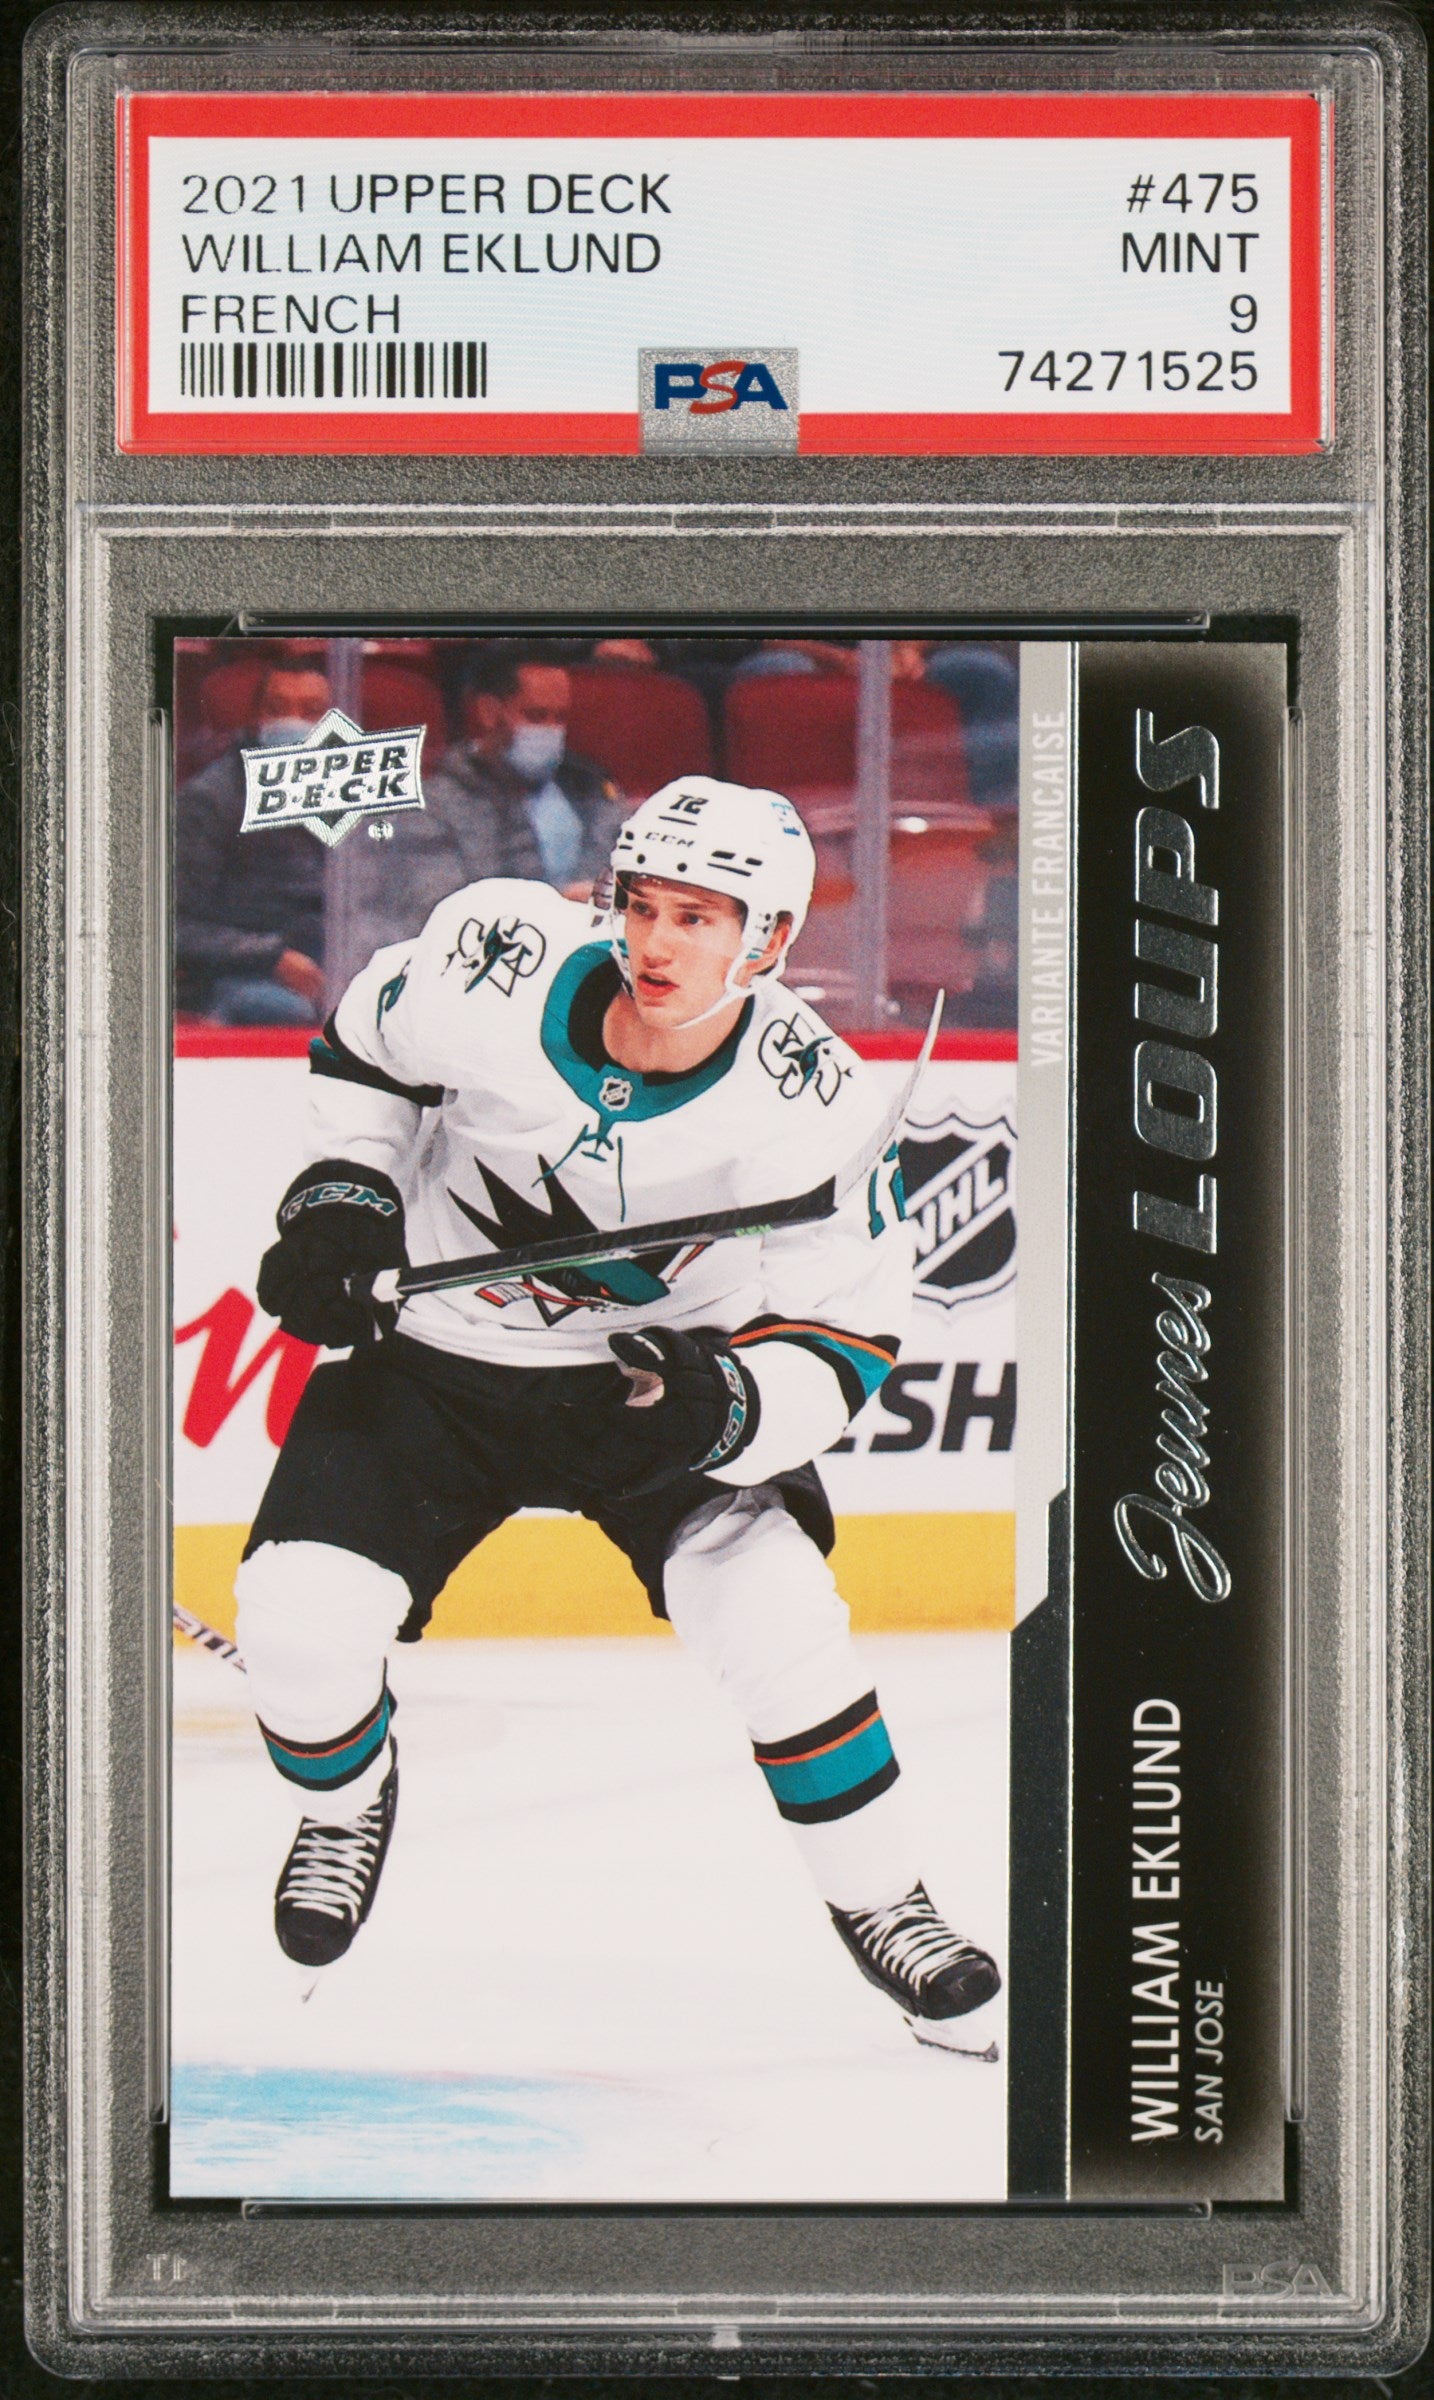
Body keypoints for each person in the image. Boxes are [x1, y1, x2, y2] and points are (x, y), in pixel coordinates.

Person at [237, 777, 1001, 2049]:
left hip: (655, 1393)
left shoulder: (815, 1104)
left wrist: (727, 1407)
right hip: (438, 1366)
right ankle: (342, 1804)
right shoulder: (497, 958)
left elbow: (846, 1336)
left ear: (768, 938)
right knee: (297, 1622)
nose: (654, 942)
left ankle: (887, 1901)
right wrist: (345, 1195)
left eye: (697, 919)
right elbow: (369, 1049)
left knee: (784, 1625)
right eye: (642, 905)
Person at [342, 647, 625, 967]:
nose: (551, 731)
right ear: (489, 712)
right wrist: (556, 905)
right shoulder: (434, 805)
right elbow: (436, 915)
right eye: (535, 716)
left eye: (560, 718)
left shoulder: (591, 789)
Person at [175, 661, 330, 1024]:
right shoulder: (210, 800)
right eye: (277, 709)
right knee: (281, 1011)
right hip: (243, 974)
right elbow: (175, 926)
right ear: (257, 719)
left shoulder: (359, 799)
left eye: (311, 711)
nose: (293, 722)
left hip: (331, 963)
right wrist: (271, 957)